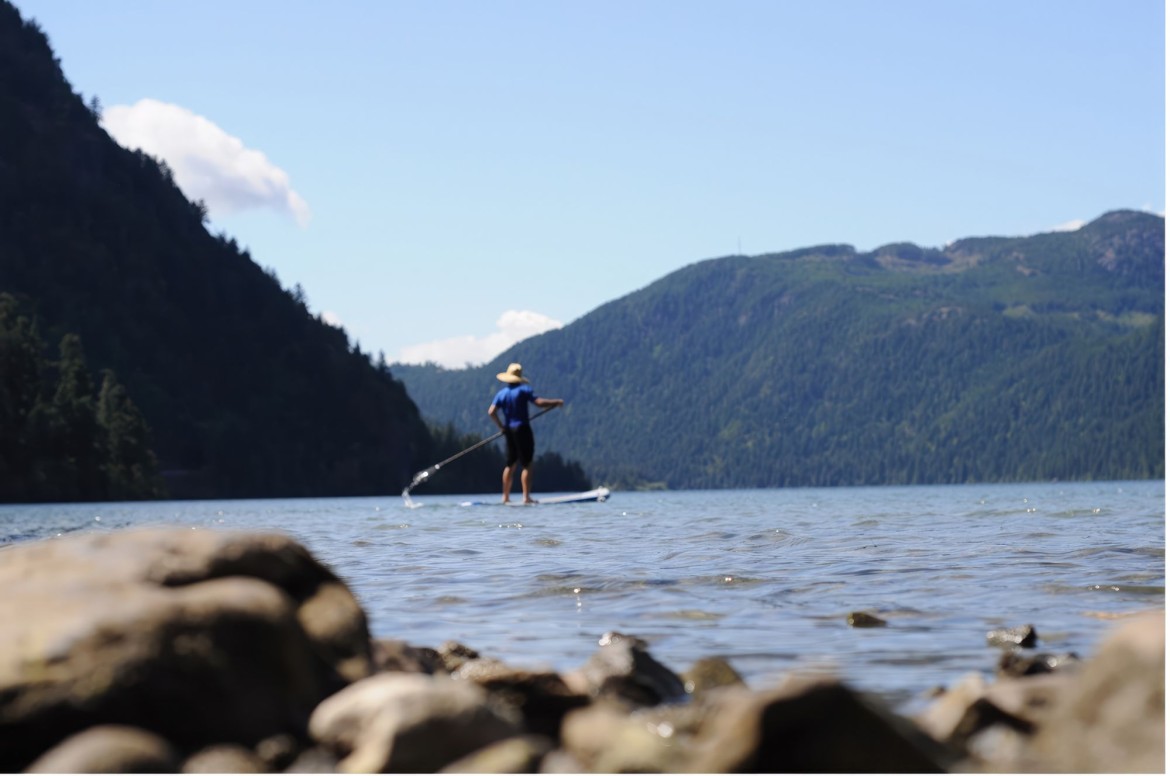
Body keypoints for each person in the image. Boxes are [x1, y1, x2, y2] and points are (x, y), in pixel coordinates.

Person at [488, 363, 564, 504]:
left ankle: (505, 497)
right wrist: (556, 402)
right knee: (527, 464)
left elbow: (491, 412)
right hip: (522, 429)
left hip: (509, 431)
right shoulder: (524, 391)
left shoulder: (502, 394)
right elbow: (539, 403)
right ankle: (526, 497)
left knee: (510, 464)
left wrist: (501, 427)